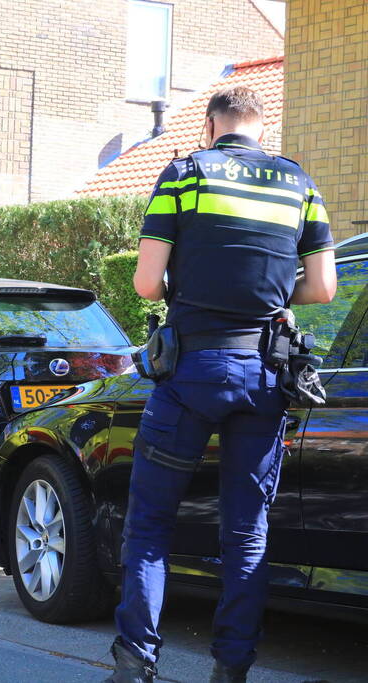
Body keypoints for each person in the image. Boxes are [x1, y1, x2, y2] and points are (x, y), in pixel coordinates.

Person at [106, 86, 336, 683]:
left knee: (151, 523)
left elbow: (147, 283)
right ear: (262, 126)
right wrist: (264, 294)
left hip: (191, 372)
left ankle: (135, 666)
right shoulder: (299, 184)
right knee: (247, 532)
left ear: (210, 126)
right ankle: (231, 669)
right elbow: (324, 290)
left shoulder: (185, 175)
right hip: (263, 376)